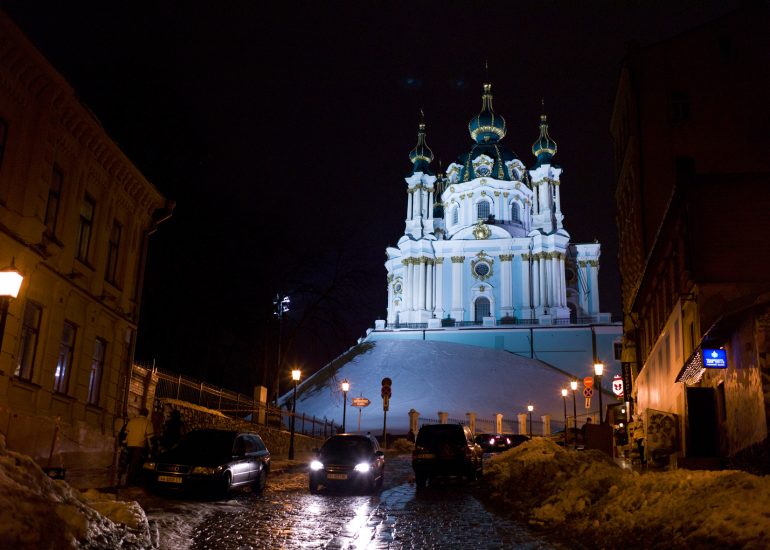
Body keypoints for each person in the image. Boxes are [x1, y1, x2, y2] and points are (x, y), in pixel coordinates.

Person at [124, 408, 154, 485]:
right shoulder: (148, 423)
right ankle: (131, 481)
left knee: (128, 462)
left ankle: (126, 477)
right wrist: (151, 447)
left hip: (129, 445)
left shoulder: (131, 421)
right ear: (147, 414)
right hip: (139, 446)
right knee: (135, 464)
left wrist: (124, 443)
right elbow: (150, 437)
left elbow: (126, 434)